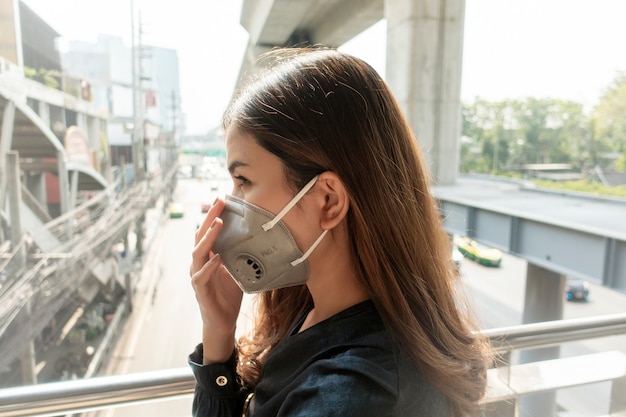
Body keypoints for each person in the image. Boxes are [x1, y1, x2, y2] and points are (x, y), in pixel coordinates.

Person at [189, 47, 490, 417]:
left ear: (328, 201)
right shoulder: (318, 310)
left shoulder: (349, 395)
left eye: (243, 180)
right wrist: (218, 335)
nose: (228, 204)